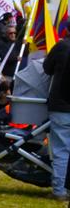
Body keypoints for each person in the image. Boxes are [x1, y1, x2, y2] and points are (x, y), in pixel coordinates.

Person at [46, 33, 70, 199]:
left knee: (61, 150)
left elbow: (47, 68)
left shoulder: (62, 46)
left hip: (61, 104)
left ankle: (60, 190)